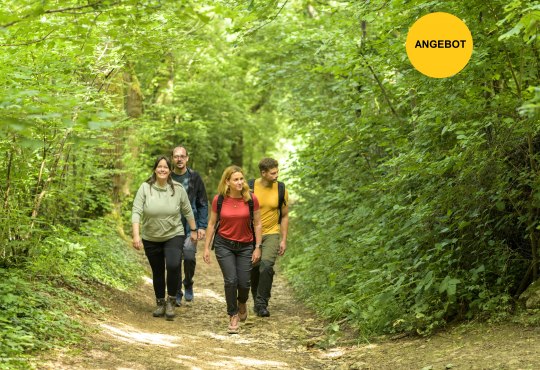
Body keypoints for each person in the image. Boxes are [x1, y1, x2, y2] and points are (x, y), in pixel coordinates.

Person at [132, 156, 198, 321]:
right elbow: (136, 211)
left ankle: (171, 300)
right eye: (159, 167)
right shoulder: (145, 187)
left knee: (174, 265)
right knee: (158, 270)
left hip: (173, 233)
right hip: (150, 236)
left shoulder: (177, 188)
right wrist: (136, 235)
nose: (162, 170)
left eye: (165, 167)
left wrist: (194, 230)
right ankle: (160, 302)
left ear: (170, 170)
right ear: (155, 169)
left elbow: (187, 210)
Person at [203, 165, 262, 334]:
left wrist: (258, 247)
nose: (240, 182)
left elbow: (257, 223)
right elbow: (212, 224)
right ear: (227, 181)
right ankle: (233, 315)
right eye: (235, 179)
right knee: (231, 280)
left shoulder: (251, 199)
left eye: (241, 179)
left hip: (246, 245)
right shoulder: (219, 200)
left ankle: (242, 301)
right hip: (224, 244)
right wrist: (206, 248)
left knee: (244, 282)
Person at [249, 158, 289, 317]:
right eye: (272, 173)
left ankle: (261, 303)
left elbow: (284, 215)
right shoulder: (250, 187)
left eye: (277, 172)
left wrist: (283, 239)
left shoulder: (281, 189)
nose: (276, 175)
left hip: (272, 233)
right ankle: (256, 298)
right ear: (263, 173)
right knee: (253, 267)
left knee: (266, 265)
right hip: (251, 234)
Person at [171, 146, 208, 306]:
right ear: (172, 158)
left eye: (182, 156)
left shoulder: (194, 177)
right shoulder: (167, 176)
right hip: (171, 225)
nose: (179, 159)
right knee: (174, 260)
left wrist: (201, 226)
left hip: (190, 224)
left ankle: (188, 282)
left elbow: (202, 202)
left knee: (189, 256)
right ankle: (177, 291)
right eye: (176, 156)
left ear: (187, 158)